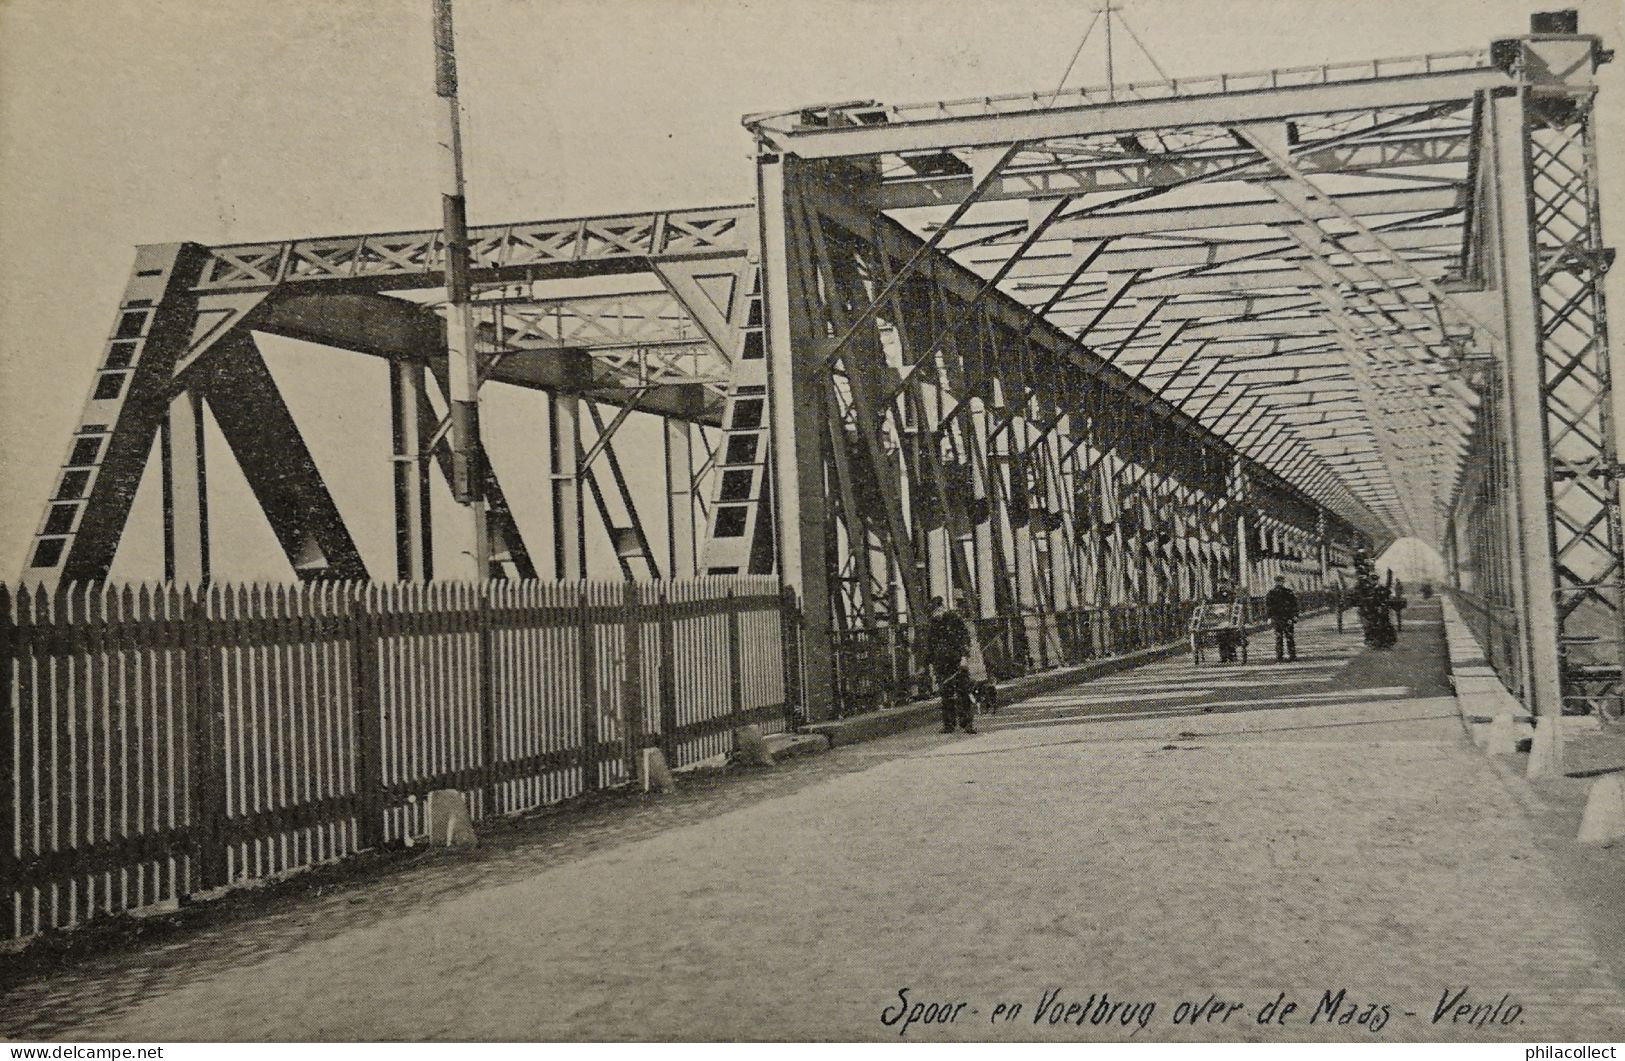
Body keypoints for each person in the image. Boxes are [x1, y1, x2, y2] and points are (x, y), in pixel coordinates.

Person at [922, 596, 975, 734]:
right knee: (946, 695)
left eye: (935, 612)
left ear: (941, 608)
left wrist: (964, 658)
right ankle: (949, 724)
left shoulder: (955, 620)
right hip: (941, 664)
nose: (934, 615)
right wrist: (926, 664)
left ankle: (967, 723)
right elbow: (930, 645)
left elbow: (964, 639)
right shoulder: (933, 624)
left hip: (957, 662)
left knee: (963, 692)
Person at [1264, 575, 1299, 662]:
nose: (1279, 583)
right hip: (1279, 618)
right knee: (1279, 637)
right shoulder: (1271, 593)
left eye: (1280, 581)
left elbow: (1294, 605)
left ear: (1283, 582)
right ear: (1275, 582)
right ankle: (1280, 656)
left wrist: (1295, 615)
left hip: (1287, 618)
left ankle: (1291, 655)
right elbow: (1269, 607)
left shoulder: (1288, 593)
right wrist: (1269, 617)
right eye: (1278, 581)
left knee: (1289, 637)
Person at [1212, 579, 1241, 663]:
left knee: (1231, 637)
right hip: (1220, 619)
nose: (1222, 586)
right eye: (1221, 584)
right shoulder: (1216, 595)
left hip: (1230, 618)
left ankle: (1232, 655)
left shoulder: (1232, 595)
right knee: (1221, 638)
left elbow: (1236, 605)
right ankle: (1223, 656)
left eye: (1224, 584)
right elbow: (1214, 605)